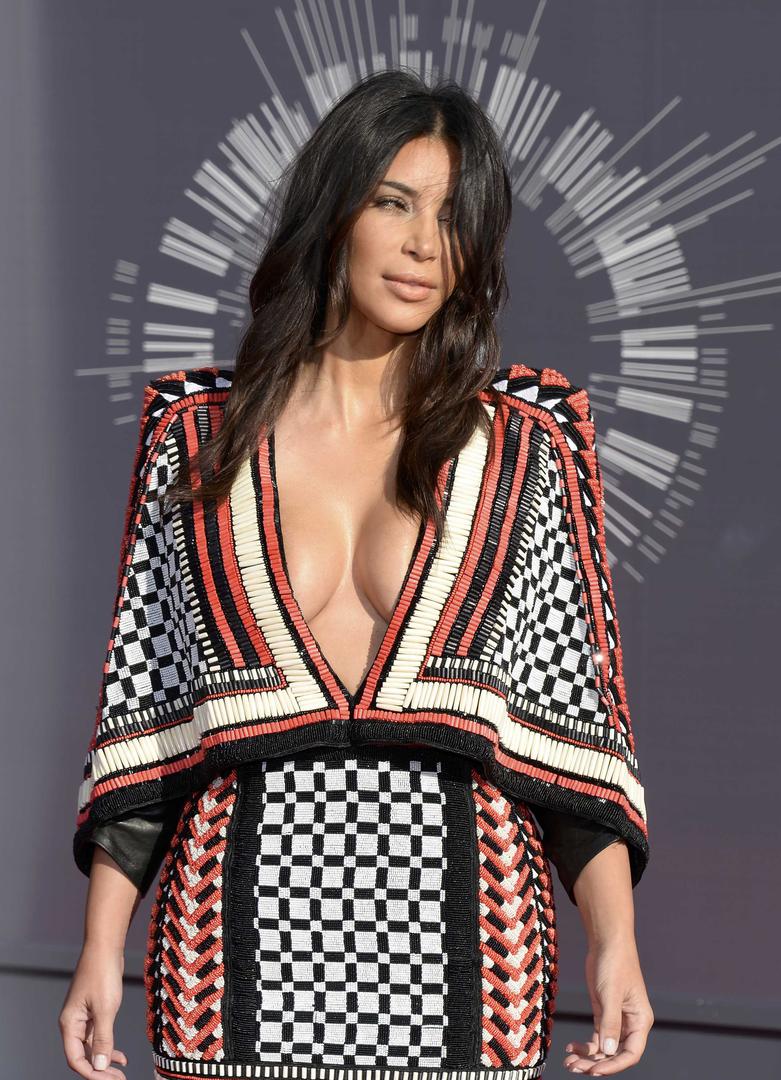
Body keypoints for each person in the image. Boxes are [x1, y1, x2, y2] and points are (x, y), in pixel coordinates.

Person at [59, 69, 652, 1080]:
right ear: (333, 209)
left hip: (472, 959)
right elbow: (144, 721)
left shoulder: (525, 446)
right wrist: (98, 950)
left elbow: (576, 736)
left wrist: (617, 945)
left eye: (454, 217)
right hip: (228, 959)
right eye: (394, 202)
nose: (426, 245)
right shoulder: (195, 441)